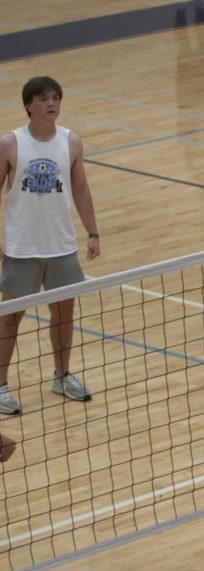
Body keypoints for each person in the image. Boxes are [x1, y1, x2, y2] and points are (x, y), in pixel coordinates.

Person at [0, 76, 100, 415]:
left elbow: (82, 189)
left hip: (61, 247)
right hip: (22, 249)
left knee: (64, 314)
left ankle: (62, 376)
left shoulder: (71, 141)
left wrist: (93, 232)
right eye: (43, 98)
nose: (51, 103)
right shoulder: (10, 144)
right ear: (29, 105)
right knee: (10, 318)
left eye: (55, 97)